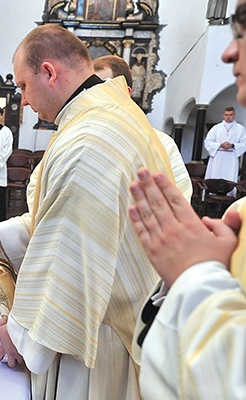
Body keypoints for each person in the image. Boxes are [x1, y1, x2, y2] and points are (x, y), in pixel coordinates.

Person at [0, 24, 174, 399]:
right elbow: (72, 217)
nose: (22, 100)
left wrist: (22, 332)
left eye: (23, 86)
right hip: (121, 315)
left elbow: (72, 252)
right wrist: (0, 235)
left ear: (50, 72)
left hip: (98, 339)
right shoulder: (110, 115)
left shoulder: (89, 137)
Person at [128, 2, 246, 398]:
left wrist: (196, 274)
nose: (228, 52)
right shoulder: (239, 215)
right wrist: (179, 276)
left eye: (242, 34)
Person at [93, 54, 193, 200]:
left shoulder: (162, 143)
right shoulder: (82, 137)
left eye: (104, 86)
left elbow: (179, 199)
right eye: (90, 88)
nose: (95, 95)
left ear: (125, 92)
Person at [203, 106, 246, 189]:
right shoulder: (216, 128)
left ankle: (230, 196)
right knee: (215, 175)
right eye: (226, 115)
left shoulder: (240, 129)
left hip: (231, 157)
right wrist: (219, 145)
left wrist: (232, 145)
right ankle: (212, 194)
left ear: (234, 115)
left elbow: (244, 144)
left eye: (230, 115)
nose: (228, 117)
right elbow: (208, 142)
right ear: (223, 115)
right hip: (217, 157)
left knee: (229, 176)